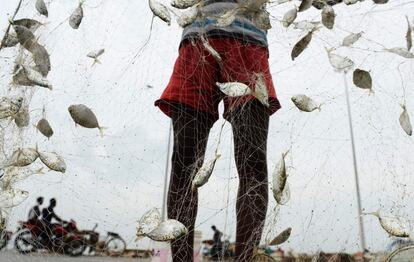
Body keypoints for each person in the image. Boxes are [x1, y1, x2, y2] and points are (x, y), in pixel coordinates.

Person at [154, 0, 342, 261]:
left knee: (252, 165)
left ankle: (245, 258)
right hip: (195, 44)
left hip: (249, 46)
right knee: (184, 165)